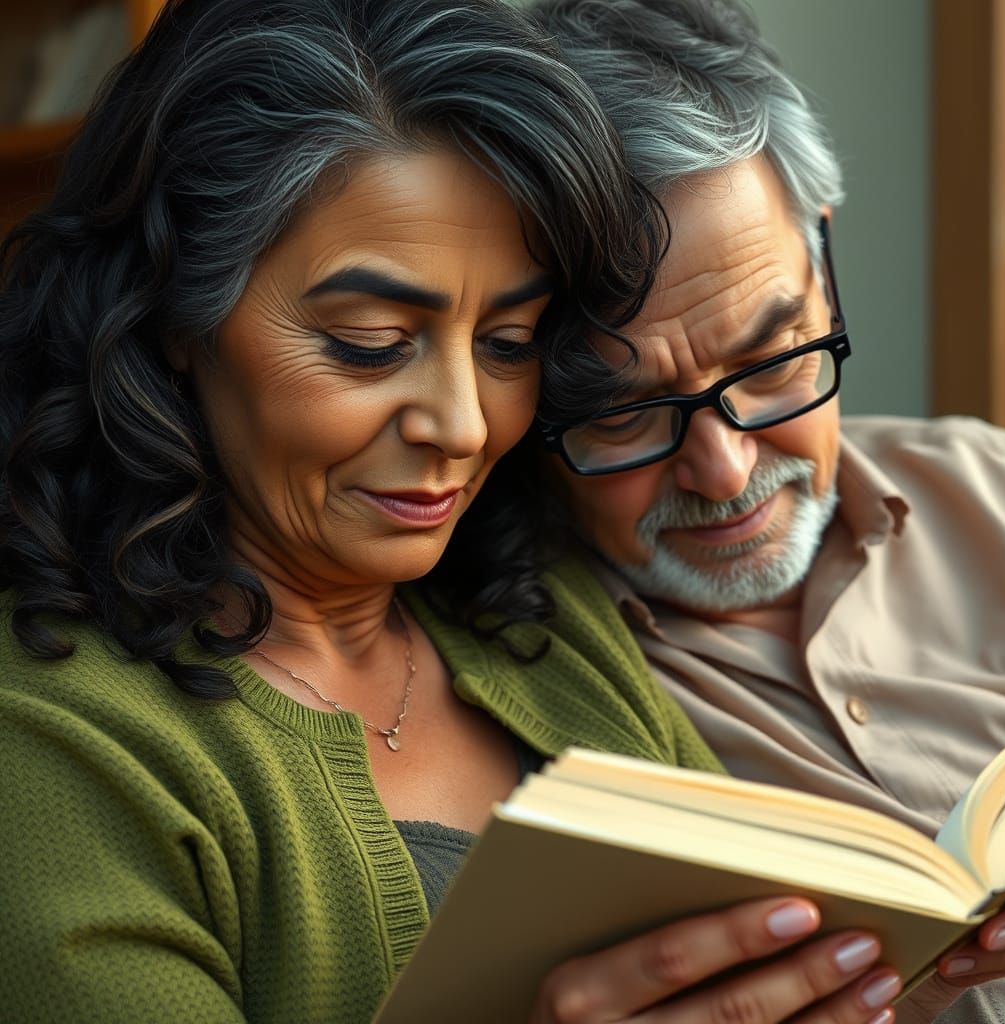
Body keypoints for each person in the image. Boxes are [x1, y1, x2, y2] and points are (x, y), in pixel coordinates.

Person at [0, 1, 903, 1022]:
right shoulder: (55, 742)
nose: (465, 426)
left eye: (508, 343)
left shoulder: (536, 612)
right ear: (177, 312)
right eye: (372, 344)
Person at [530, 0, 1005, 1021]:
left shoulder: (999, 485)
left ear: (824, 264)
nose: (721, 470)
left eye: (769, 363)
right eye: (622, 414)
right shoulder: (509, 692)